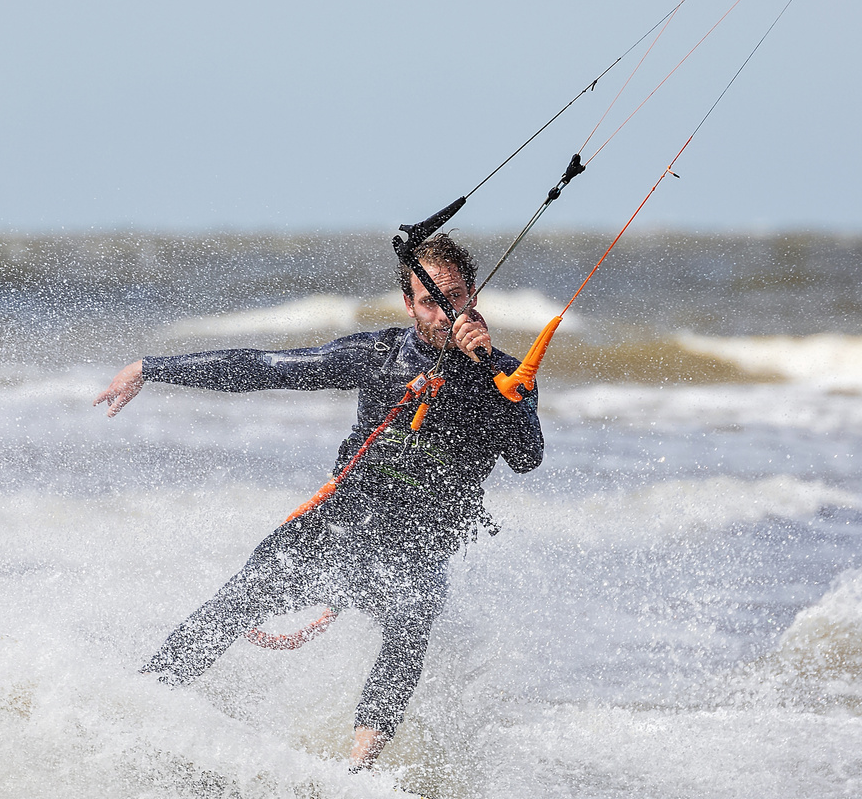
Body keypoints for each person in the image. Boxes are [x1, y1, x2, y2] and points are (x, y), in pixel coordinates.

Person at [93, 234, 544, 771]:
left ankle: (360, 766)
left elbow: (527, 456)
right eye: (430, 302)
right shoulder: (379, 355)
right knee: (246, 590)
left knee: (411, 617)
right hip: (345, 519)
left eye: (455, 298)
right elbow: (268, 367)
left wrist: (491, 370)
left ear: (473, 295)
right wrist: (153, 367)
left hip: (425, 535)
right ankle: (142, 703)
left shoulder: (507, 374)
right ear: (409, 304)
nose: (445, 314)